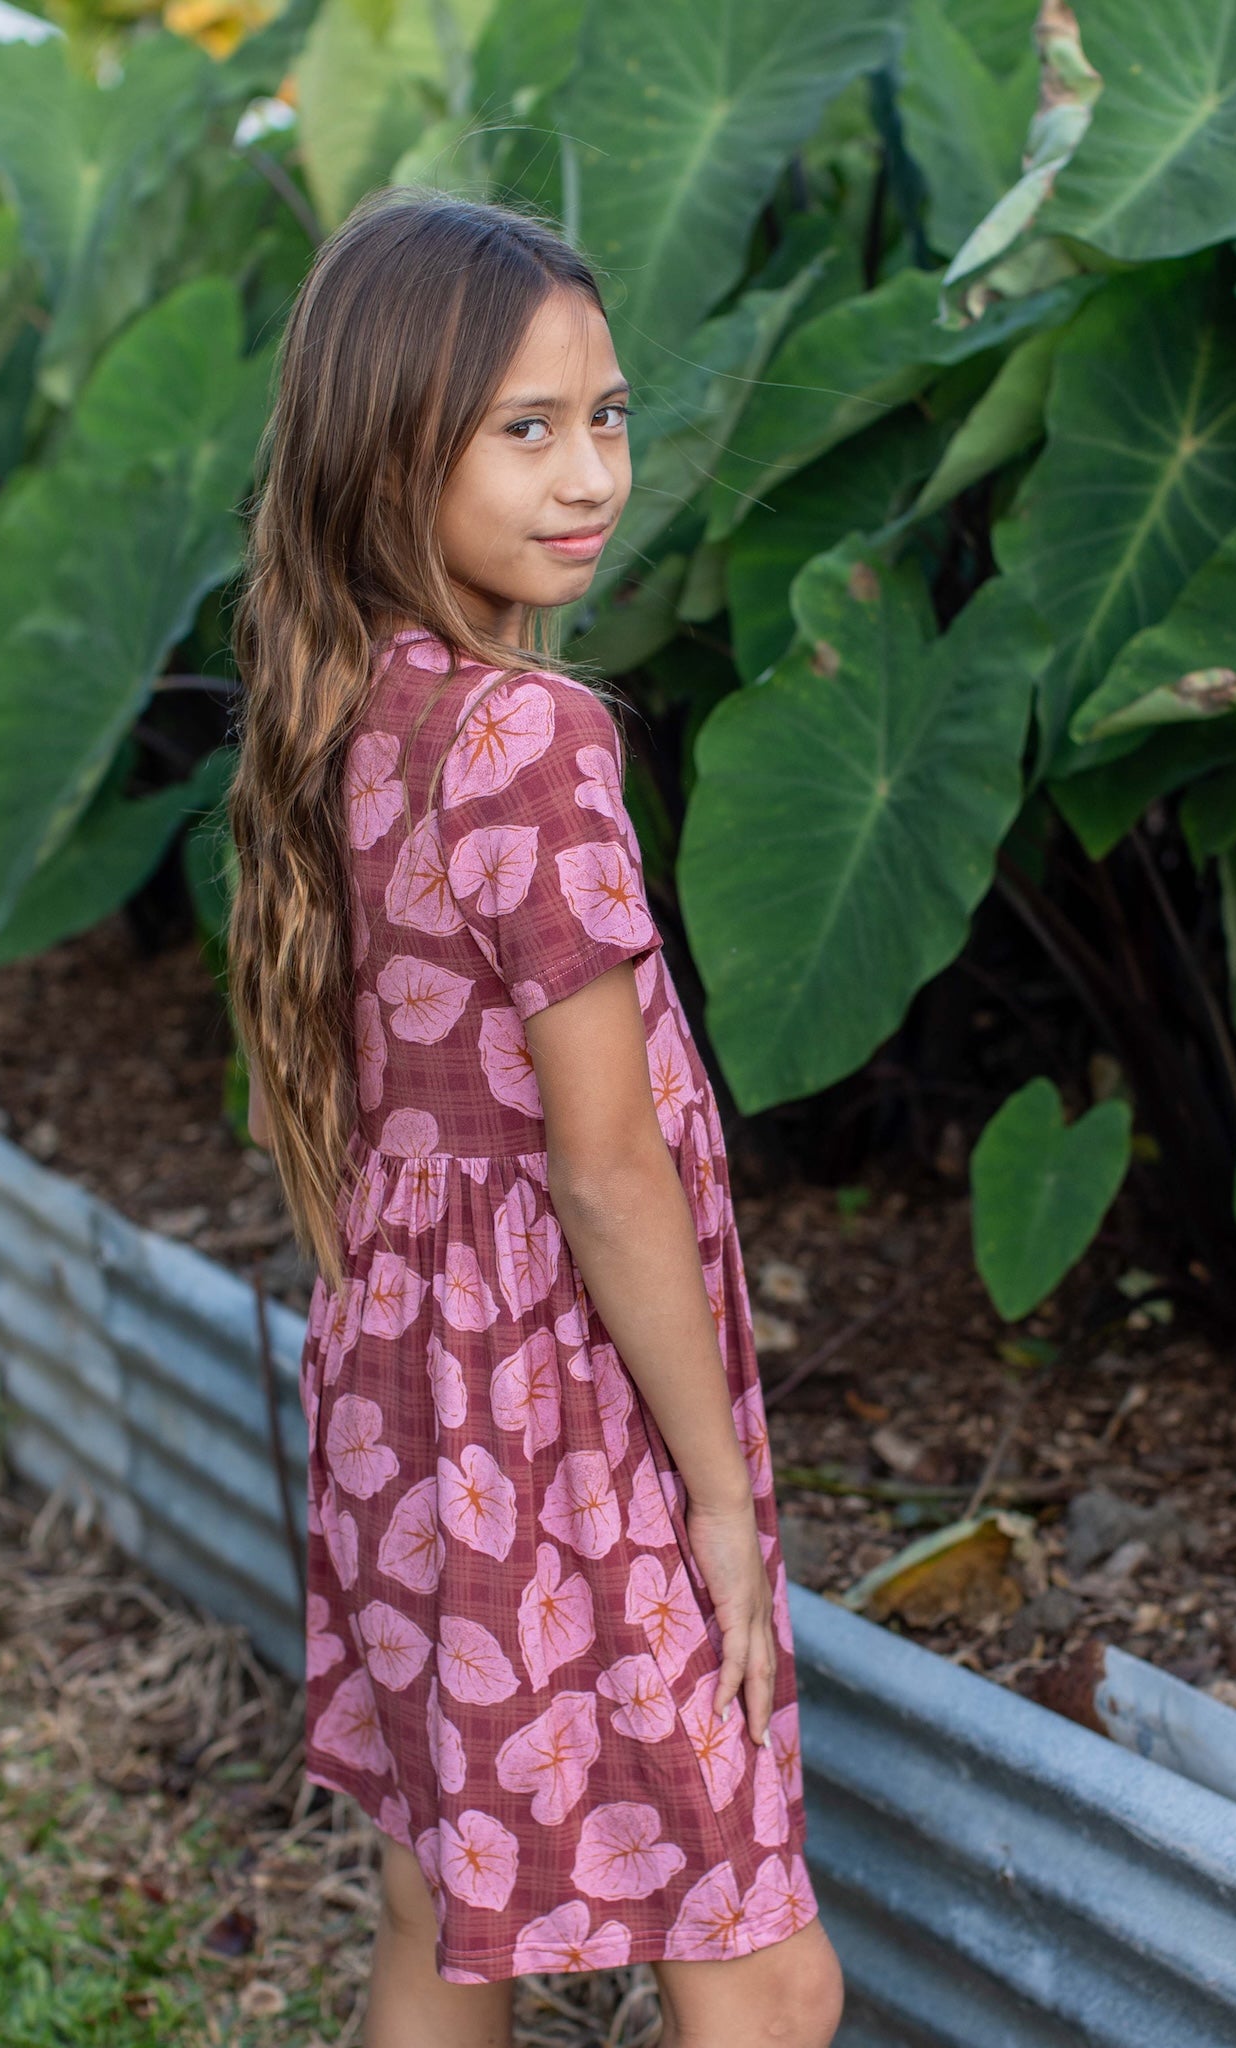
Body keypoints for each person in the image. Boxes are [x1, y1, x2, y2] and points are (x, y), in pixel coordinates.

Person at [226, 189, 843, 2048]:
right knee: (765, 1974)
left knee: (441, 1904)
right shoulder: (530, 735)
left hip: (413, 1399)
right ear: (384, 442)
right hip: (566, 1420)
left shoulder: (356, 699)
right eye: (525, 428)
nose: (591, 475)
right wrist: (721, 1503)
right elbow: (599, 1161)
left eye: (609, 417)